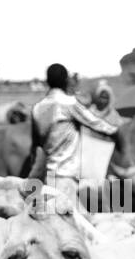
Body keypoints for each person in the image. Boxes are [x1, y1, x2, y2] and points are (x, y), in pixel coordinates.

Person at [27, 62, 121, 203]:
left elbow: (36, 146)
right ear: (66, 80)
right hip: (66, 177)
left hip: (49, 176)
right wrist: (117, 132)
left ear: (47, 82)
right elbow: (96, 123)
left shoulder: (37, 108)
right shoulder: (68, 103)